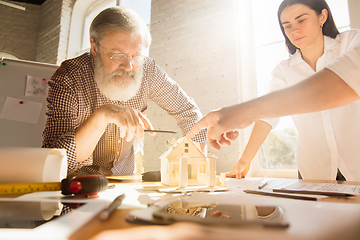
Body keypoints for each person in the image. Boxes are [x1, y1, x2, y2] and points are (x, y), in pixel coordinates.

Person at [188, 0, 360, 181]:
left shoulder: (351, 42)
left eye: (301, 20)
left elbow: (347, 77)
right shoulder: (283, 71)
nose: (294, 30)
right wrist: (244, 161)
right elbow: (266, 117)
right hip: (315, 171)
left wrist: (243, 112)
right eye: (287, 26)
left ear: (322, 16)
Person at [42, 7, 206, 176]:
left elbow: (188, 111)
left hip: (125, 181)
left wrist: (197, 165)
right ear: (94, 47)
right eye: (117, 54)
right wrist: (101, 117)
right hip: (76, 186)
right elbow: (54, 161)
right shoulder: (69, 77)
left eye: (136, 55)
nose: (128, 66)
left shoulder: (148, 70)